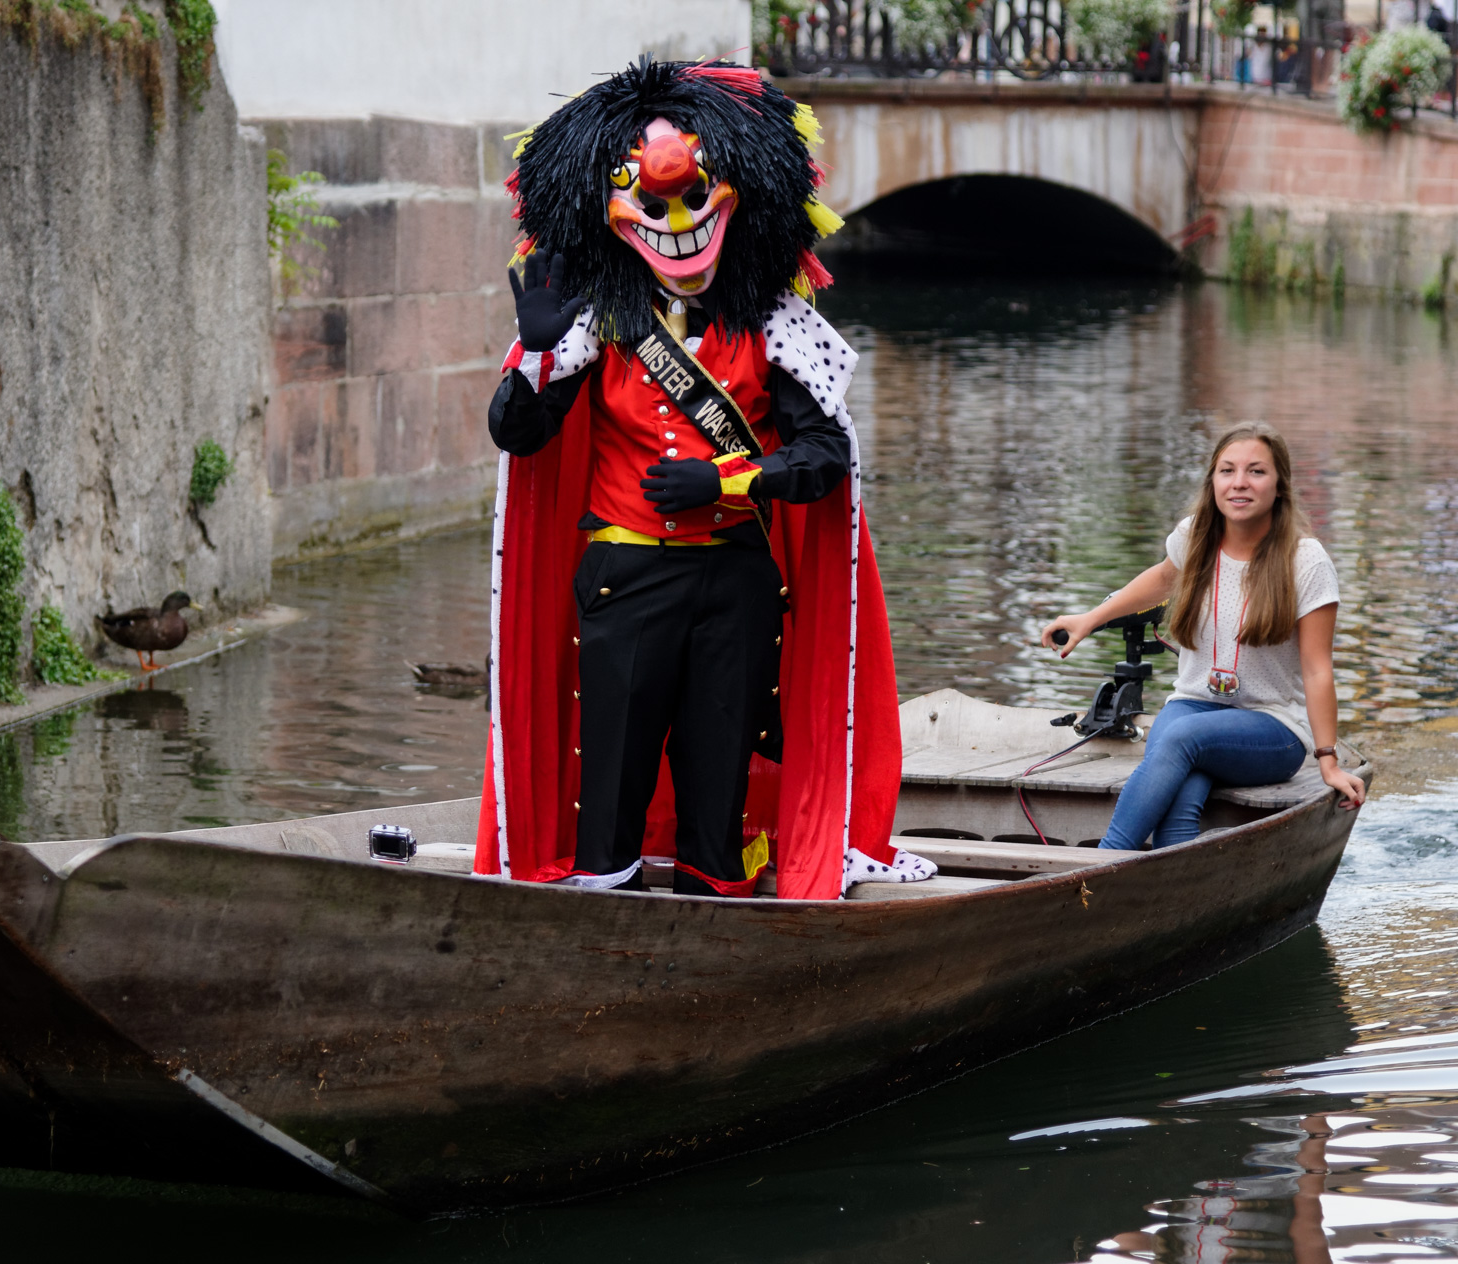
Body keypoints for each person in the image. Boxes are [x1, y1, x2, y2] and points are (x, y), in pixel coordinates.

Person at [472, 58, 933, 899]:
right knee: (610, 770)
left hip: (736, 579)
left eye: (694, 198)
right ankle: (602, 902)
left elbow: (824, 459)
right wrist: (535, 352)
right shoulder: (593, 323)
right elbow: (520, 435)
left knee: (719, 769)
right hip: (626, 574)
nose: (675, 218)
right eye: (653, 203)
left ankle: (715, 915)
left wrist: (728, 483)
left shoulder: (778, 325)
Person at [1040, 423, 1365, 851]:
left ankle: (1100, 867)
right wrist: (1090, 618)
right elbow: (1159, 578)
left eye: (1256, 472)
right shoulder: (1196, 536)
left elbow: (1317, 669)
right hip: (1193, 706)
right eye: (1227, 471)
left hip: (1273, 725)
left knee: (1177, 741)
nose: (1239, 483)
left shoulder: (1306, 561)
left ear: (1280, 485)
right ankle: (1178, 892)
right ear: (1213, 480)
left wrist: (1328, 760)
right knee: (1184, 784)